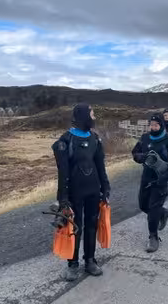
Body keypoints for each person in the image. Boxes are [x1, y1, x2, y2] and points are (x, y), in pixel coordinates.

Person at [52, 103, 110, 281]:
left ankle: (90, 260)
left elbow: (100, 166)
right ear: (84, 116)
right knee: (74, 228)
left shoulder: (94, 138)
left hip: (93, 190)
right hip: (74, 193)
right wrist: (63, 199)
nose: (94, 118)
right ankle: (73, 264)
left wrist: (105, 188)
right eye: (92, 114)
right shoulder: (66, 140)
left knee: (91, 225)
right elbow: (63, 173)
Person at [132, 113, 168, 253]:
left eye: (156, 125)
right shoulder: (145, 138)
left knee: (153, 208)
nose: (153, 127)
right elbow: (135, 153)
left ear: (161, 125)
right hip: (146, 177)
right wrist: (140, 157)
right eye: (151, 125)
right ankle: (163, 212)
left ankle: (153, 237)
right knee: (143, 205)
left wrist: (166, 178)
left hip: (162, 179)